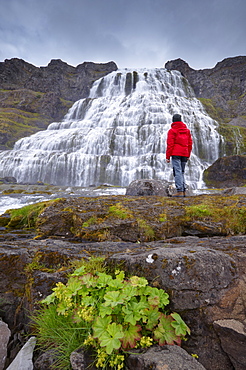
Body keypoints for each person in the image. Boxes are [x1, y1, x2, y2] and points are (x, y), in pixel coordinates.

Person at [166, 114, 192, 197]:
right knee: (182, 172)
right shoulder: (187, 131)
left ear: (173, 121)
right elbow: (190, 143)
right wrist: (188, 154)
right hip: (184, 153)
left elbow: (170, 144)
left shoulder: (172, 131)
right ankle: (183, 190)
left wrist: (167, 156)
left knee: (177, 172)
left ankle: (179, 190)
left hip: (176, 153)